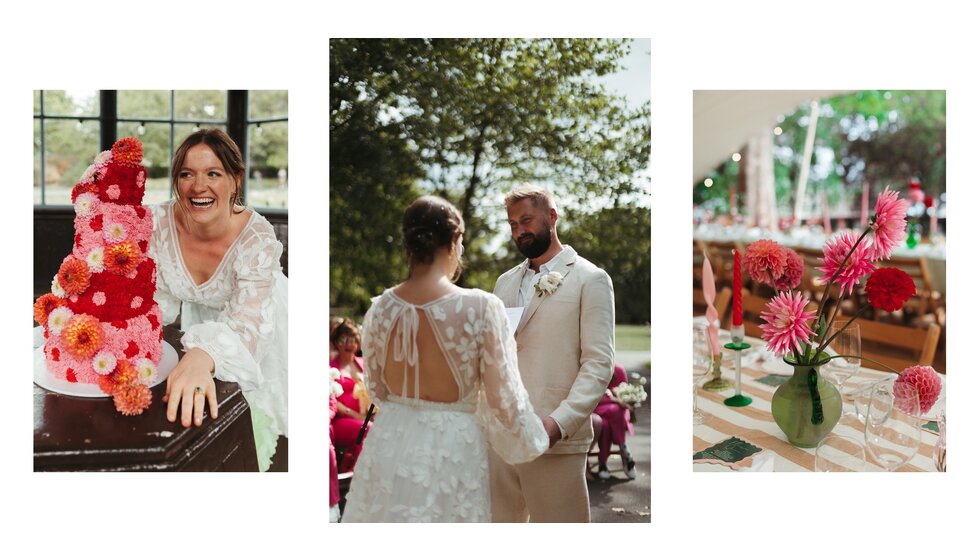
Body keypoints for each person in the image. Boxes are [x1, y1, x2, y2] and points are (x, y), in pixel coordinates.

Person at [342, 195, 548, 522]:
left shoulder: (380, 308)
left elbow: (378, 389)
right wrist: (540, 435)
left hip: (391, 439)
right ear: (454, 241)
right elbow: (503, 398)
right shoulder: (482, 307)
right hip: (451, 446)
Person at [149, 128, 288, 472]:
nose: (199, 187)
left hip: (261, 317)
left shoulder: (257, 238)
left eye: (213, 173)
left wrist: (204, 354)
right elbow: (157, 299)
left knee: (264, 414)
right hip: (203, 321)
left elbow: (247, 325)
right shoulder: (156, 224)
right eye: (186, 174)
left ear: (235, 179)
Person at [490, 185, 615, 522]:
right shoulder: (503, 283)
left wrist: (558, 423)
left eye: (526, 220)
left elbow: (599, 363)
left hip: (554, 436)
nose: (519, 231)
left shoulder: (591, 279)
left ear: (552, 217)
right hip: (500, 434)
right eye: (513, 224)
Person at [329, 318, 371, 468]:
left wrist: (370, 413)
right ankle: (358, 473)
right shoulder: (330, 366)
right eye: (343, 340)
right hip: (340, 420)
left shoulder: (366, 364)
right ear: (335, 342)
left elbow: (375, 393)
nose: (348, 344)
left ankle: (352, 465)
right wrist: (354, 414)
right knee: (367, 428)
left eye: (352, 339)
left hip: (365, 417)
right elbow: (330, 398)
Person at [591, 364, 637, 480]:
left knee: (607, 423)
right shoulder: (591, 369)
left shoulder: (619, 370)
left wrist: (613, 398)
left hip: (618, 413)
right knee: (612, 412)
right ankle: (624, 450)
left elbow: (625, 398)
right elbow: (592, 398)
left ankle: (603, 463)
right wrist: (610, 398)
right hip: (598, 409)